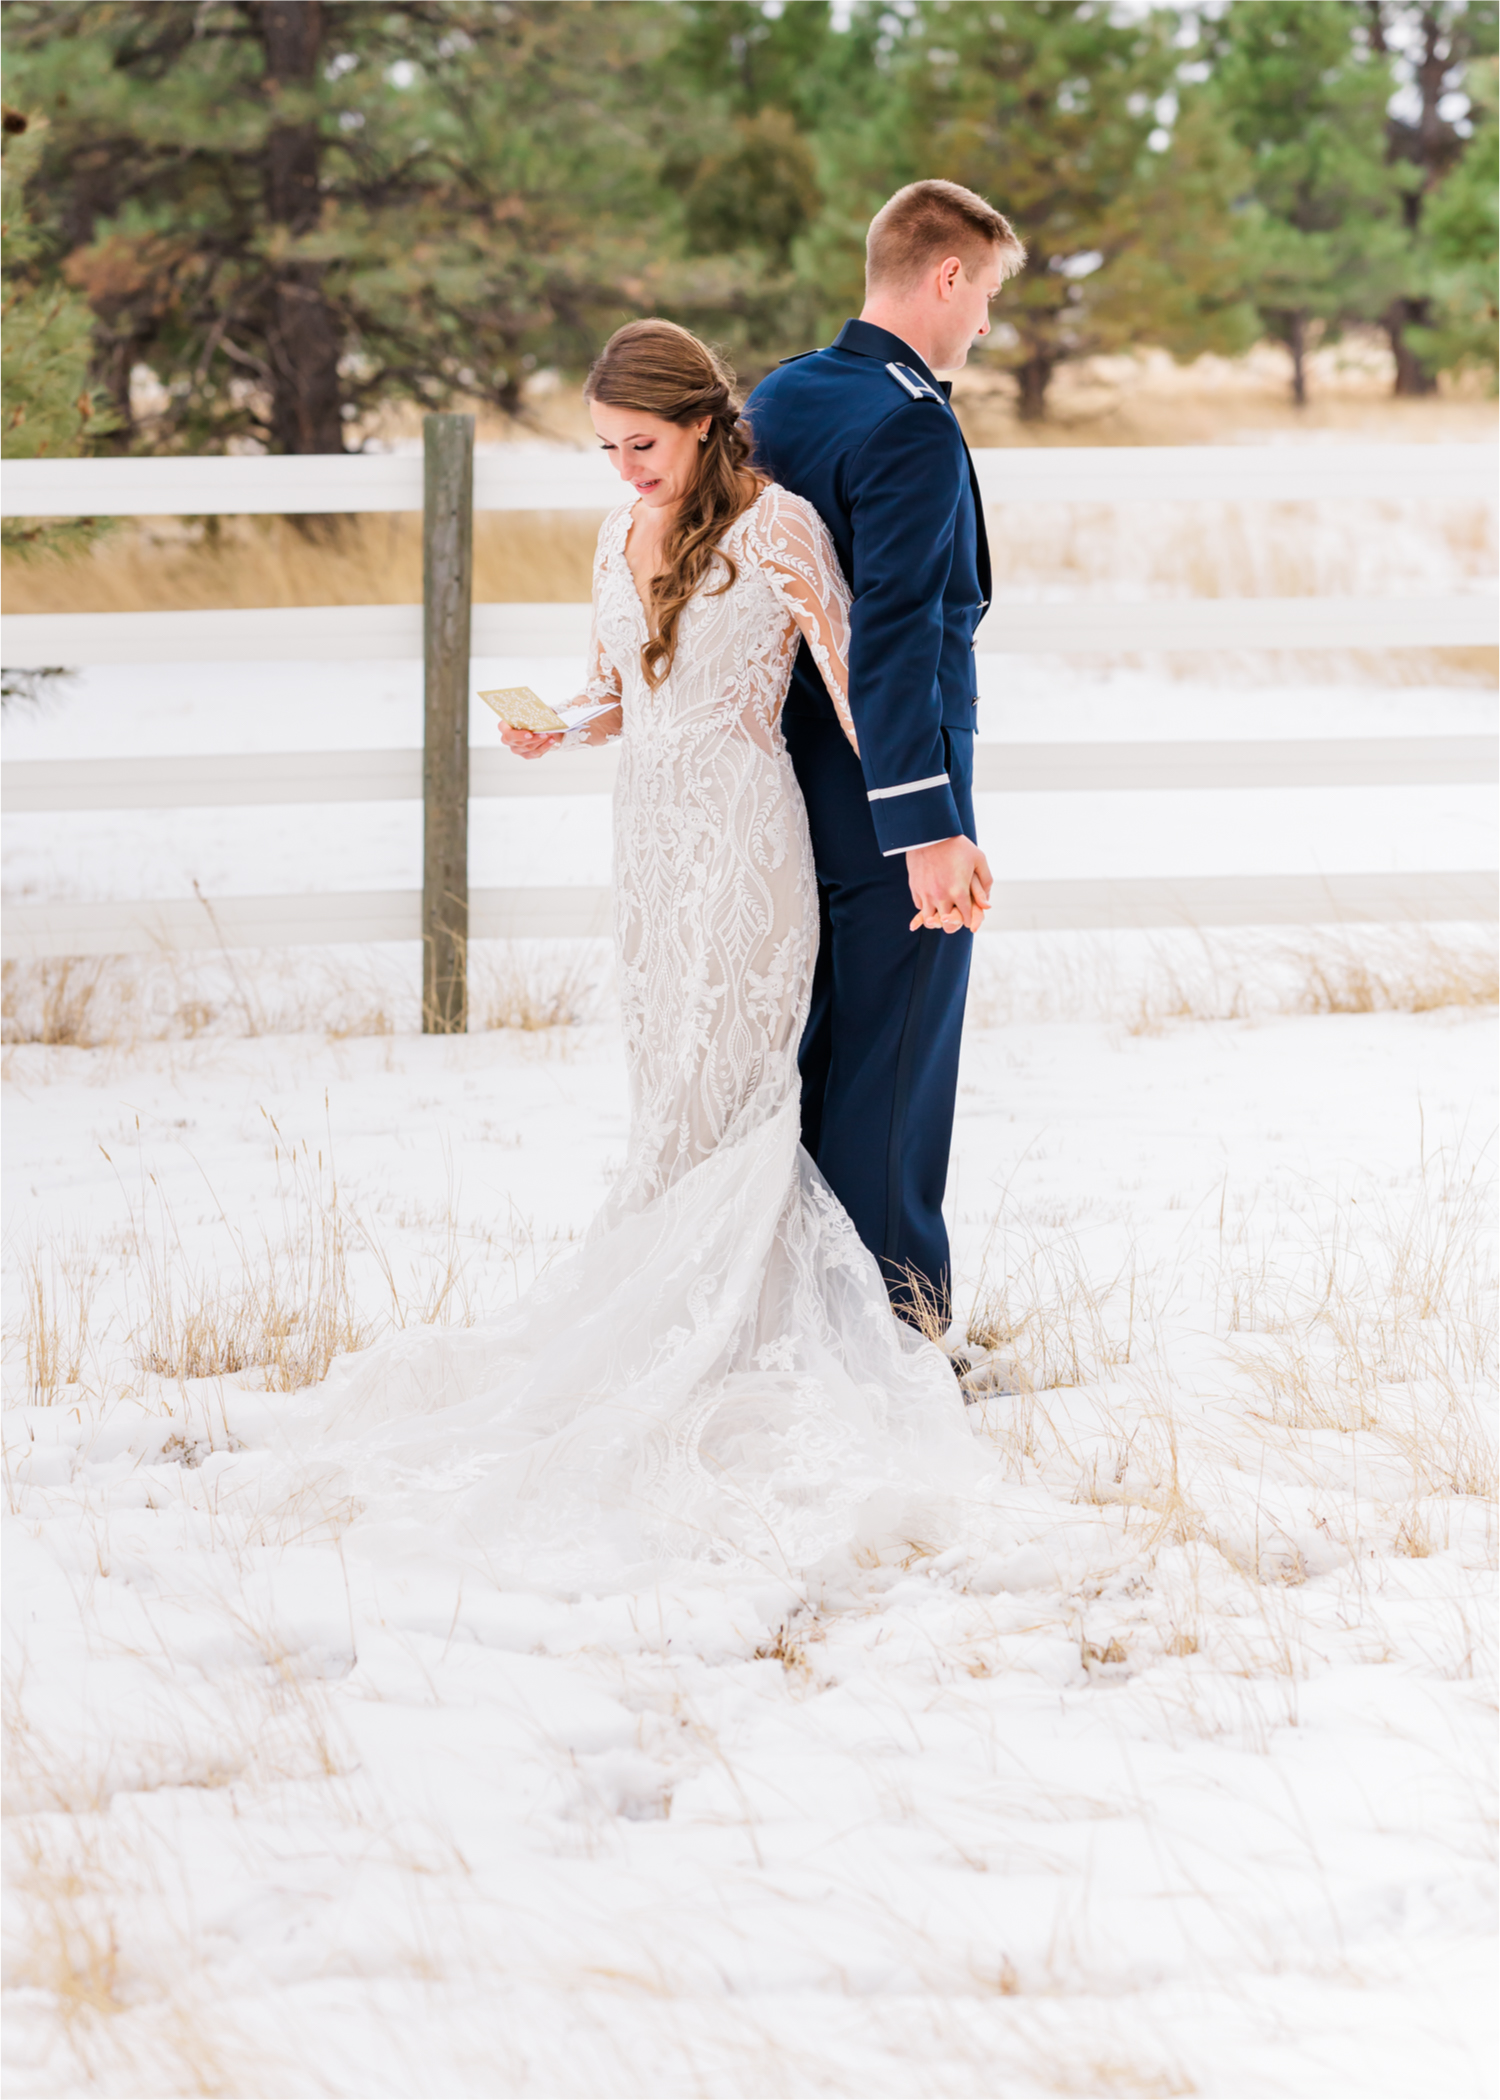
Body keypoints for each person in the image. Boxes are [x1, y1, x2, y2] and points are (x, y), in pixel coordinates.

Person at [313, 318, 979, 1588]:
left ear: (706, 425)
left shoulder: (778, 527)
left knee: (730, 1084)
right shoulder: (612, 532)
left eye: (644, 443)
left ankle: (741, 1338)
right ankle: (667, 1311)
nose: (626, 468)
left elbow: (854, 686)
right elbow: (619, 687)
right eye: (608, 447)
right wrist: (555, 726)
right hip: (649, 845)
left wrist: (922, 832)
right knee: (664, 1079)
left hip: (742, 836)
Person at [747, 179, 1026, 1334]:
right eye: (989, 298)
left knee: (825, 1055)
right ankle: (897, 1337)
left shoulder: (788, 393)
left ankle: (803, 1318)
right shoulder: (910, 415)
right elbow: (902, 627)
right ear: (945, 274)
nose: (987, 328)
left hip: (788, 782)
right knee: (894, 1069)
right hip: (887, 793)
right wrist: (925, 825)